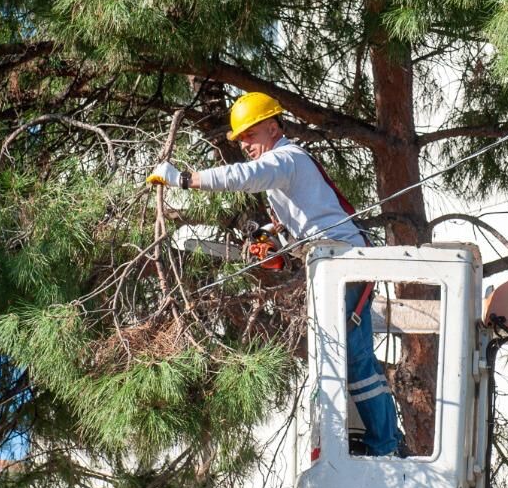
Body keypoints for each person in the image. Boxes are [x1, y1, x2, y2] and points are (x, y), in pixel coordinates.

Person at [148, 91, 403, 456]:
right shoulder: (284, 175)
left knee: (355, 359)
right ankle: (380, 443)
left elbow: (245, 176)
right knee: (350, 358)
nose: (245, 145)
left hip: (345, 262)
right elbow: (296, 225)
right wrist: (272, 243)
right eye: (241, 139)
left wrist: (185, 179)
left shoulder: (285, 158)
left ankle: (384, 445)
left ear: (272, 126)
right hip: (333, 263)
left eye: (250, 134)